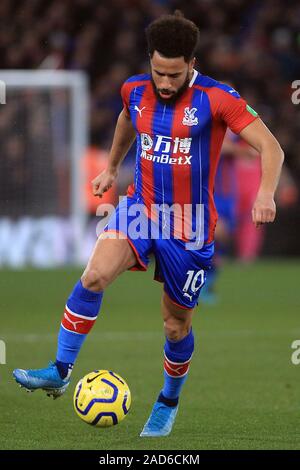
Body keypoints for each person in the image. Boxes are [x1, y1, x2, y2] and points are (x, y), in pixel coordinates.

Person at [13, 11, 284, 437]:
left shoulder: (218, 97)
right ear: (149, 61)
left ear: (191, 65)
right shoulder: (135, 90)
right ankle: (61, 369)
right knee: (94, 275)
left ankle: (168, 400)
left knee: (176, 324)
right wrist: (111, 166)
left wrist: (266, 193)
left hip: (190, 225)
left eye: (174, 74)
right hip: (141, 209)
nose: (165, 82)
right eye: (159, 71)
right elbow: (126, 118)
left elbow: (270, 146)